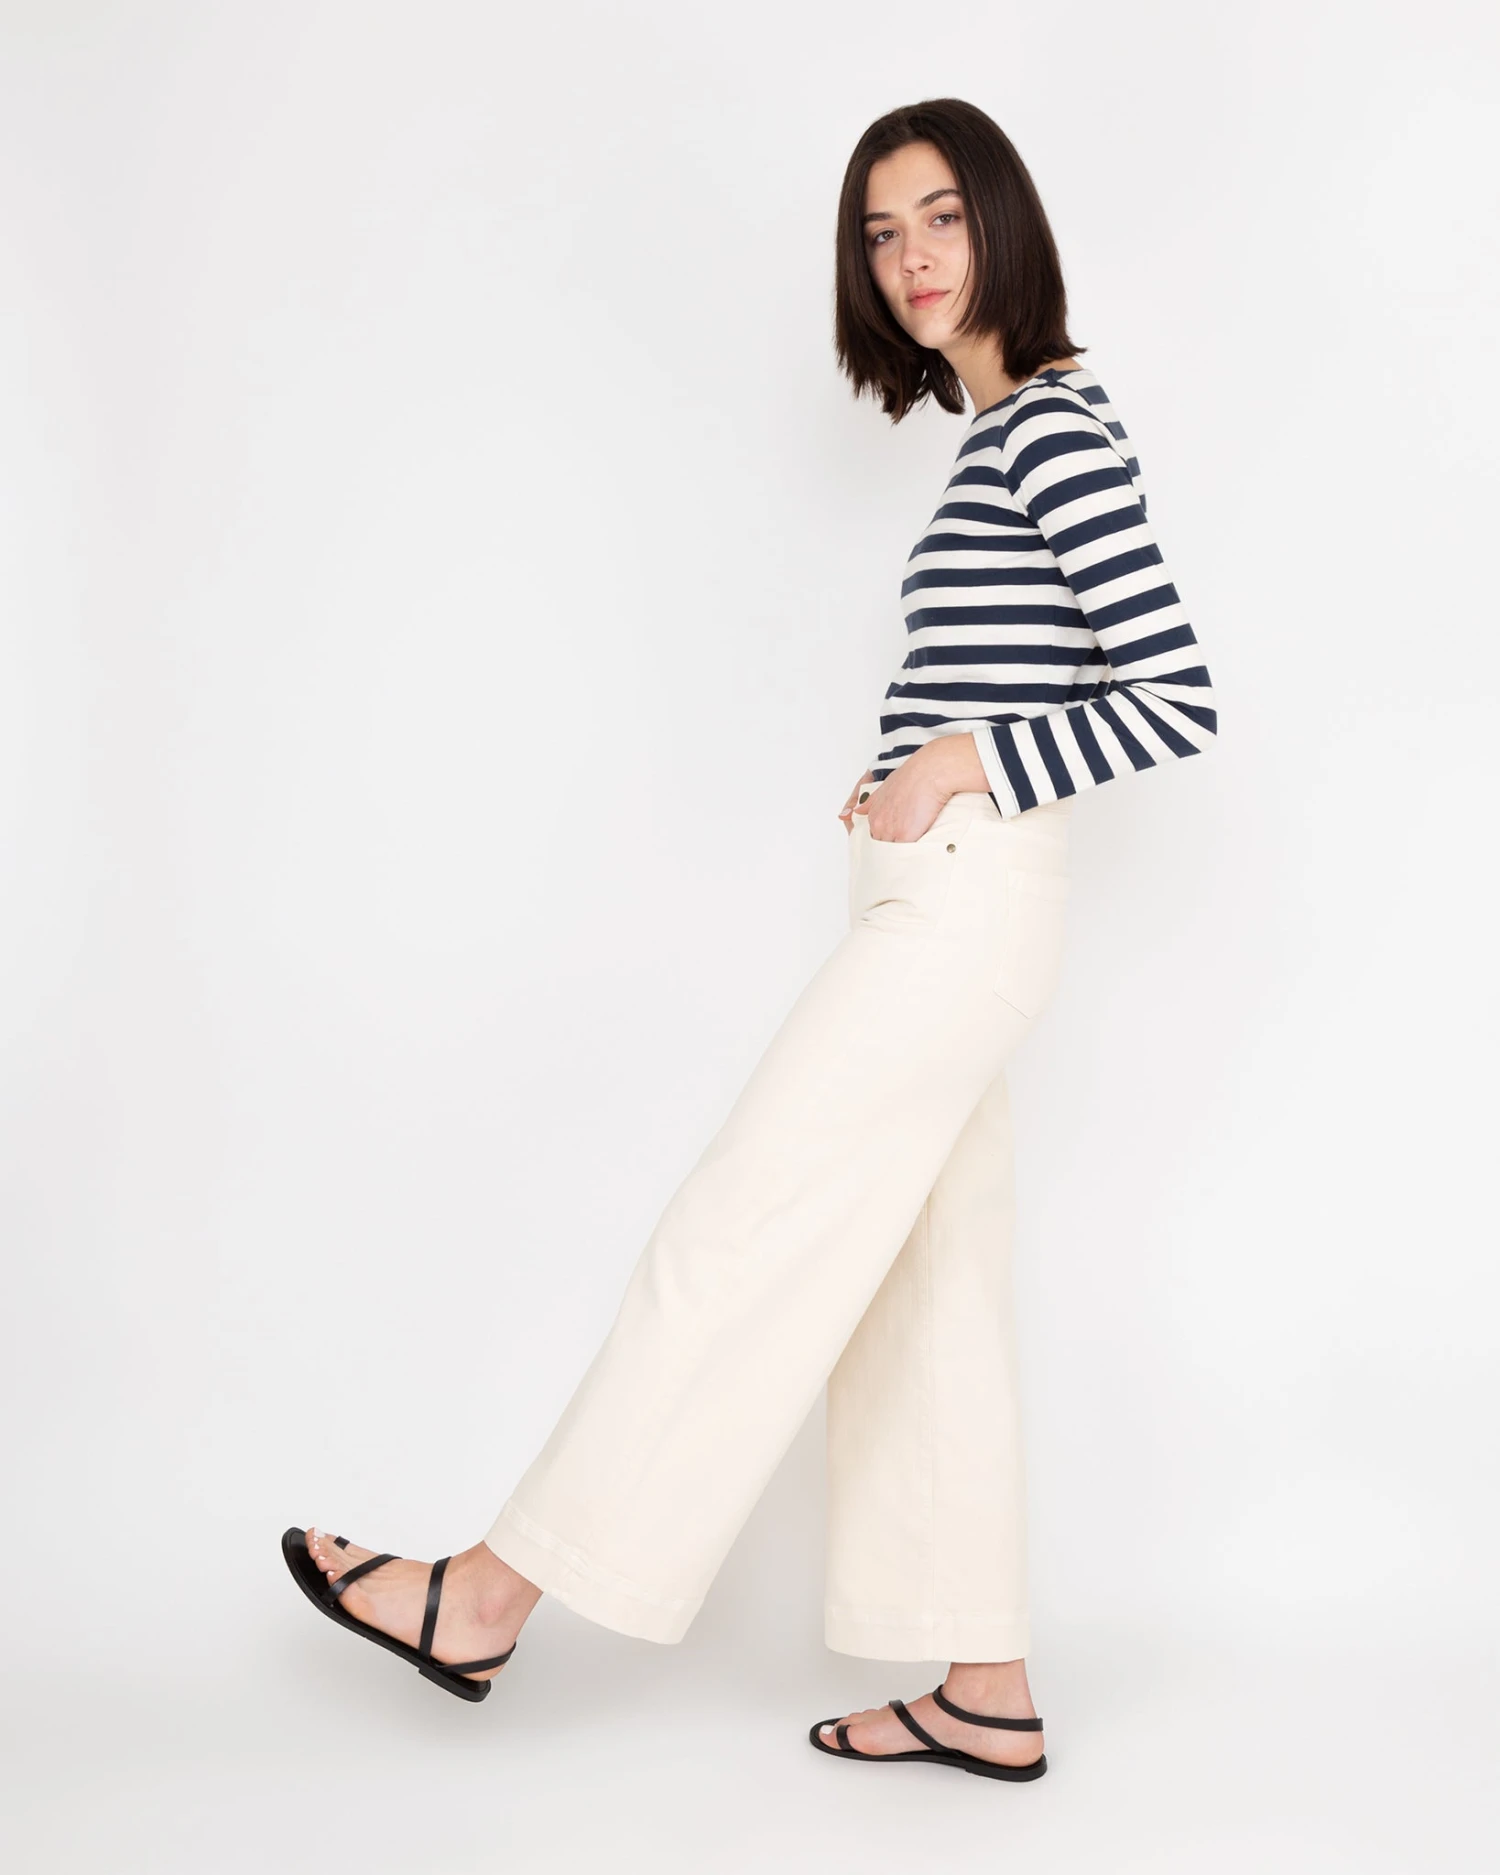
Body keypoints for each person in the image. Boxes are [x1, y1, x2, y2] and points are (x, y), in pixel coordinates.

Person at [282, 96, 1217, 1784]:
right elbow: (1028, 670)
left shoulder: (1055, 430)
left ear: (1006, 221)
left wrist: (960, 762)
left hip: (969, 905)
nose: (913, 259)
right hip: (949, 902)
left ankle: (485, 1597)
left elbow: (1177, 695)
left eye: (942, 217)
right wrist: (903, 772)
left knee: (740, 1219)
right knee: (933, 1292)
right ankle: (987, 1683)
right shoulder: (993, 437)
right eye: (882, 233)